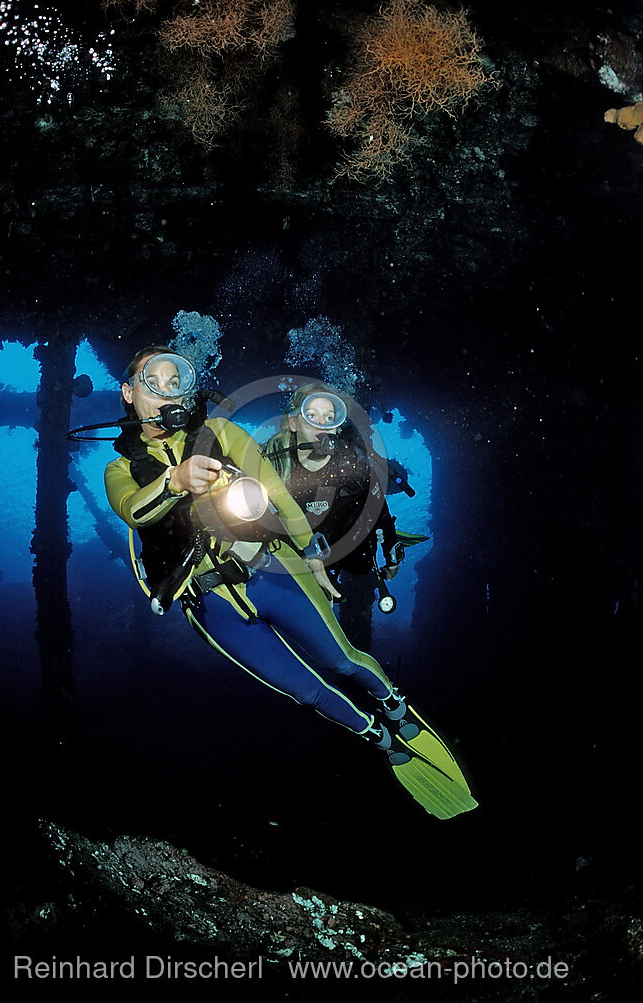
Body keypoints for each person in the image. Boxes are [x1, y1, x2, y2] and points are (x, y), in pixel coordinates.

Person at [104, 346, 477, 819]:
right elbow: (133, 511)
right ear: (128, 393)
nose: (168, 390)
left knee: (342, 660)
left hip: (269, 567)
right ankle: (376, 736)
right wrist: (176, 479)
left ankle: (395, 707)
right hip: (211, 605)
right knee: (306, 691)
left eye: (177, 380)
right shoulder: (119, 469)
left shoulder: (220, 431)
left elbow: (276, 491)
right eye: (154, 381)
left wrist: (313, 552)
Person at [262, 383, 411, 616]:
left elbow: (379, 509)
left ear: (337, 427)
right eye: (311, 416)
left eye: (330, 417)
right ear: (293, 423)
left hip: (349, 545)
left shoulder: (353, 466)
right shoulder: (274, 465)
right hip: (300, 553)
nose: (322, 425)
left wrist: (391, 553)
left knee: (361, 569)